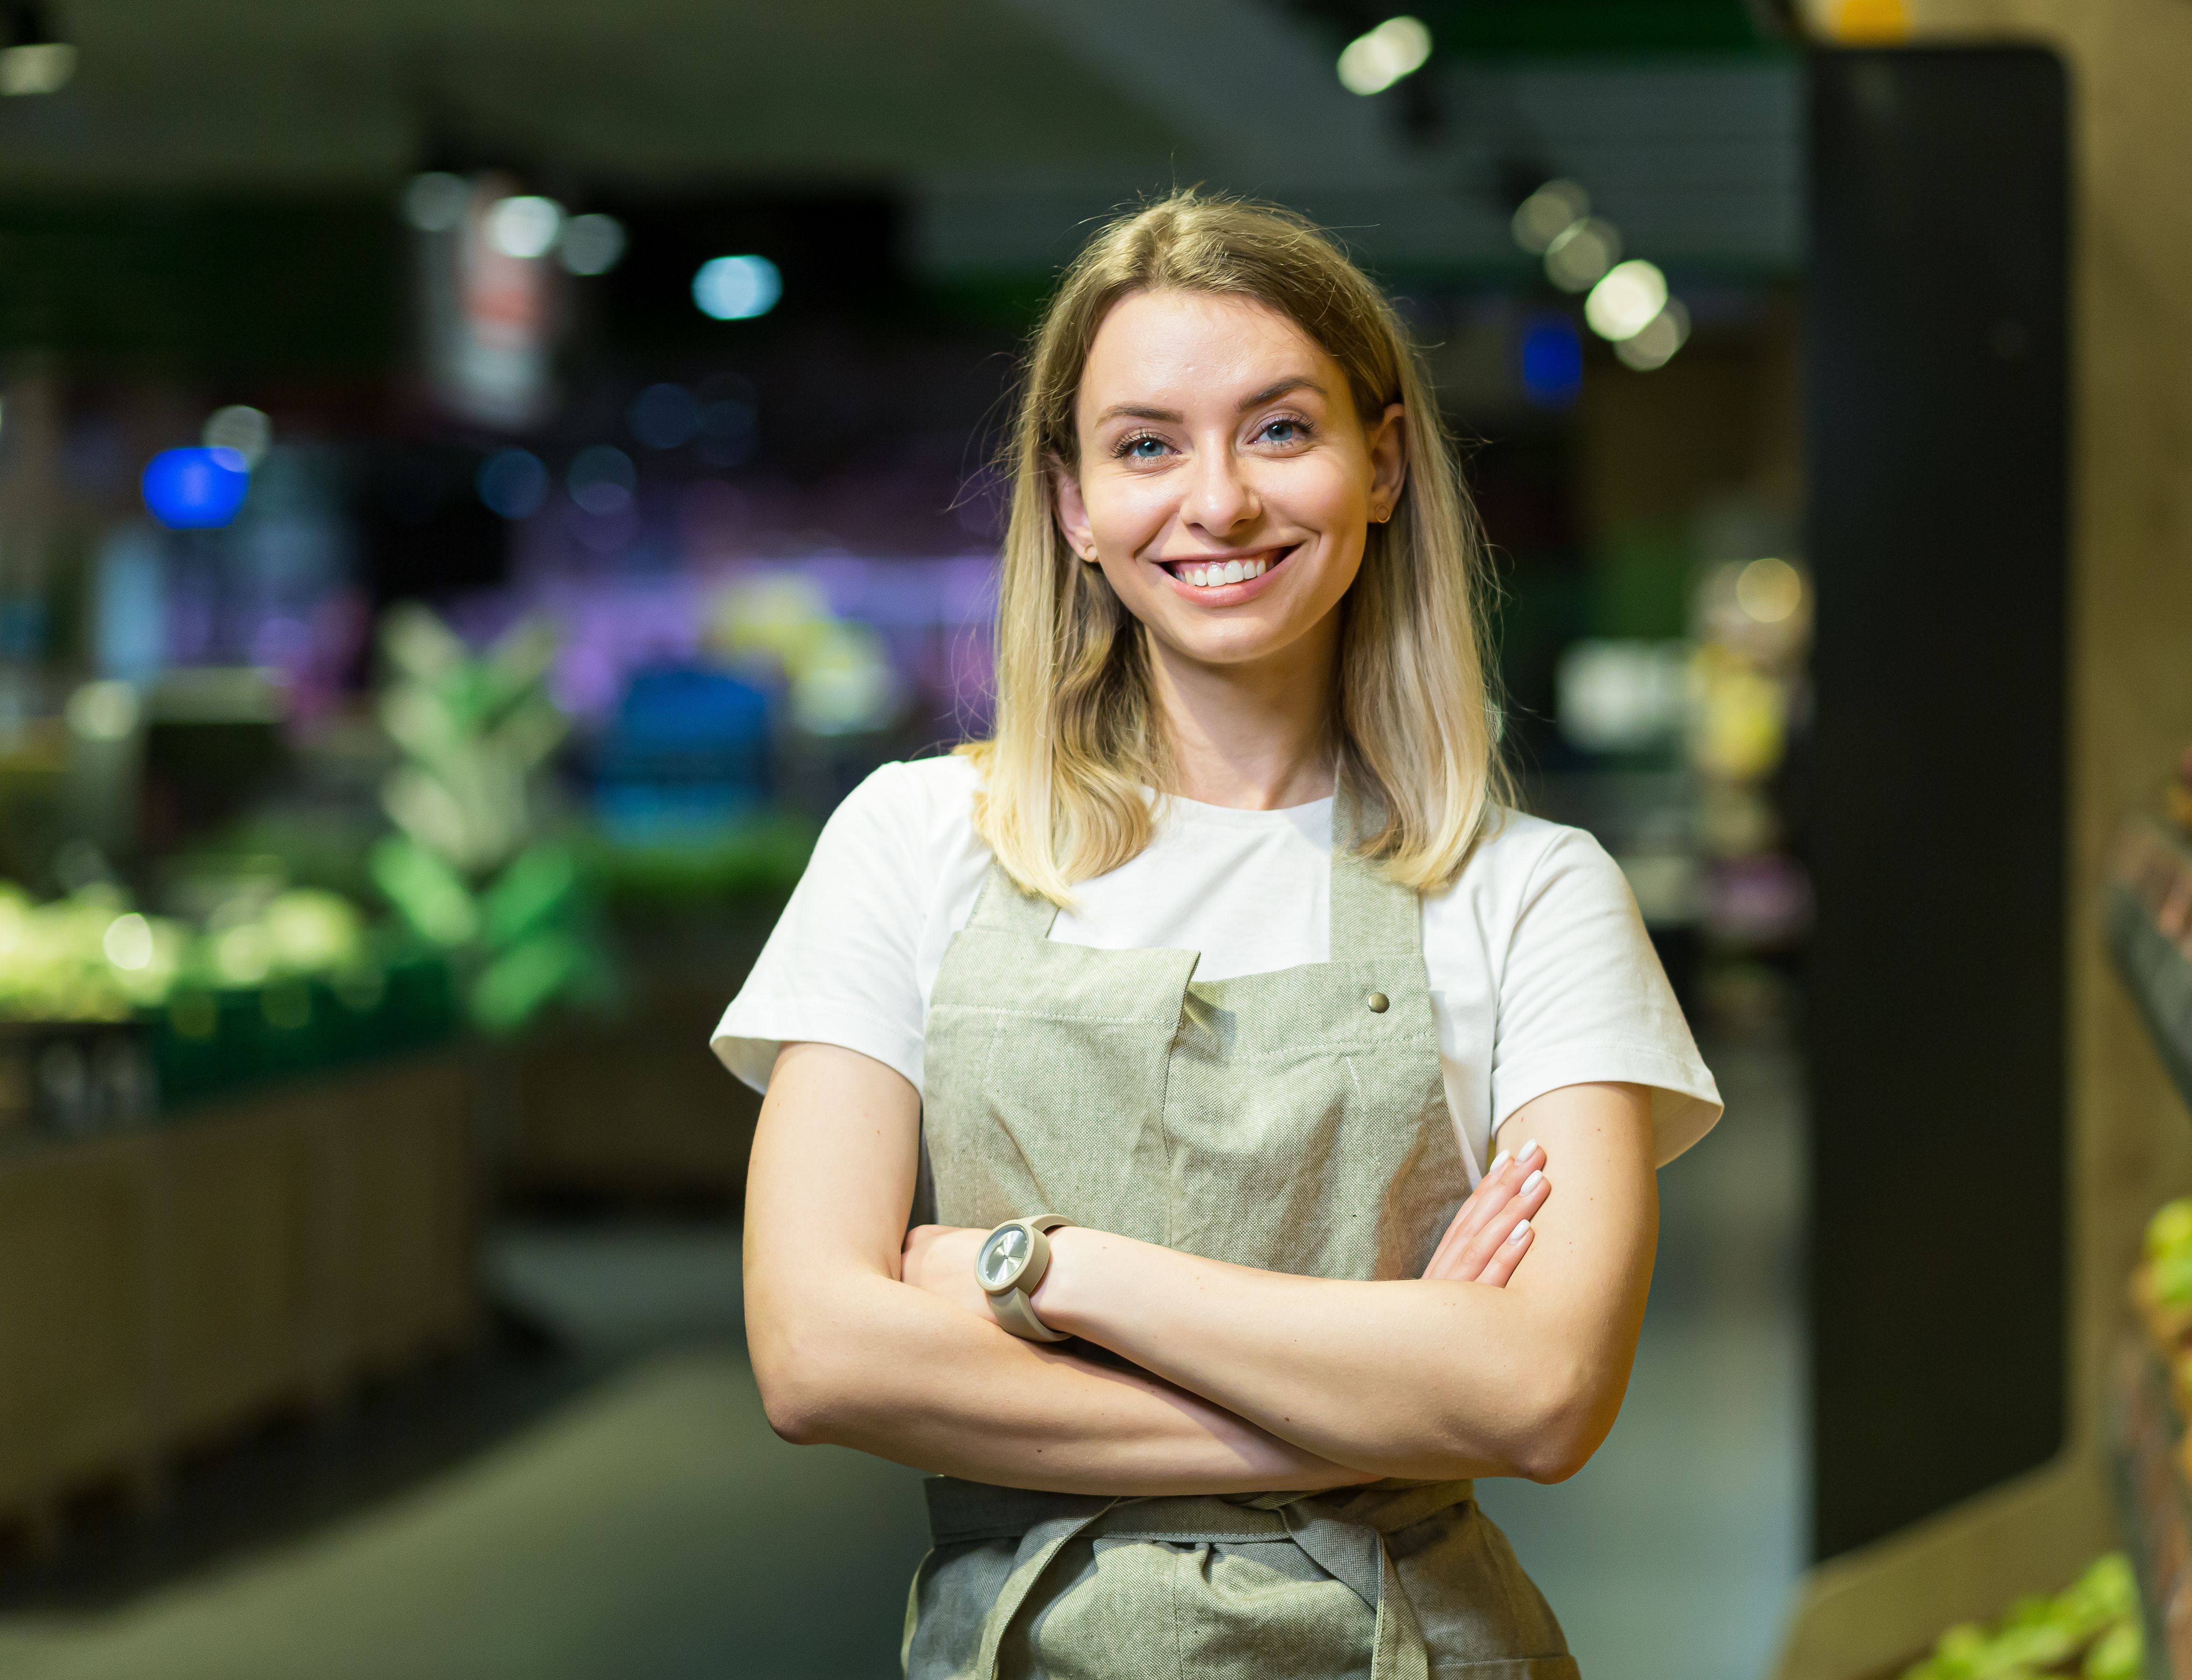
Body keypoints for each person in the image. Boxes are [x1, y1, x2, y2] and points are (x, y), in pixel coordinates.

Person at [718, 192, 1720, 1680]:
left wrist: (1044, 1271)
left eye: (1277, 429)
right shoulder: (913, 838)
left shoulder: (1532, 893)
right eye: (1145, 444)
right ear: (1070, 505)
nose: (1219, 501)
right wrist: (1371, 1390)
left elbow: (1541, 1394)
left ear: (1380, 464)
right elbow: (816, 1353)